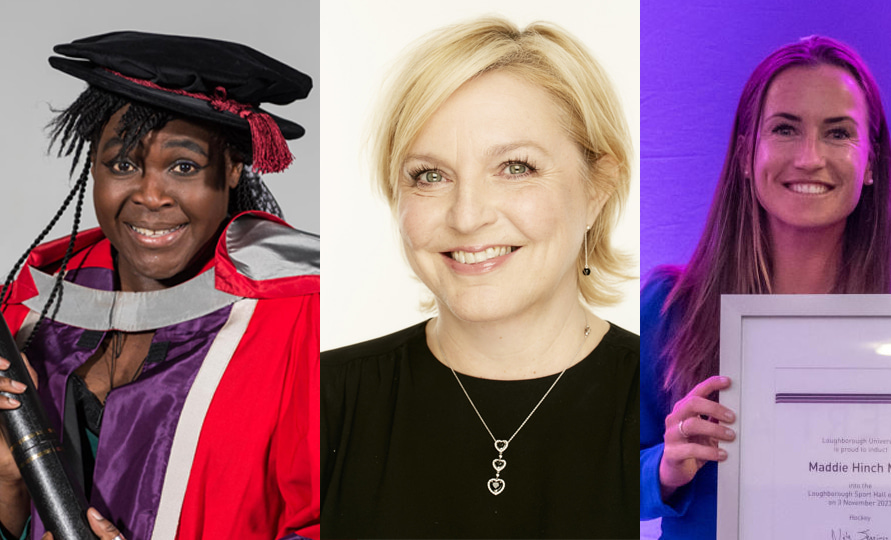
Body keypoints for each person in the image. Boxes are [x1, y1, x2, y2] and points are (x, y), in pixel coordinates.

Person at [319, 17, 638, 538]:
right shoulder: (316, 402)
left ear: (598, 188)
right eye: (430, 175)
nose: (467, 216)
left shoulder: (660, 407)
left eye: (516, 167)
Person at [0, 32, 321, 539]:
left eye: (184, 166)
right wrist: (8, 482)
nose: (151, 195)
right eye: (123, 164)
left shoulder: (301, 312)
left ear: (234, 166)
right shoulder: (36, 305)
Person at [638, 36, 891, 538]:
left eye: (838, 133)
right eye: (785, 129)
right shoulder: (670, 308)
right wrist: (666, 467)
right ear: (748, 154)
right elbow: (596, 476)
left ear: (872, 162)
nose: (810, 158)